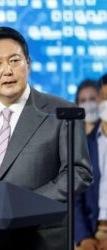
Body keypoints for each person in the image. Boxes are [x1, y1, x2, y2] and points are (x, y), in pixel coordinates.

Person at [0, 26, 93, 250]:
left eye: (14, 60)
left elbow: (79, 171)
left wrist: (27, 204)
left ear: (28, 63)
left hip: (39, 236)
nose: (7, 70)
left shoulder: (61, 110)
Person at [75, 73, 107, 250]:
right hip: (91, 230)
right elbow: (76, 197)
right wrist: (84, 237)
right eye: (104, 97)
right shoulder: (85, 145)